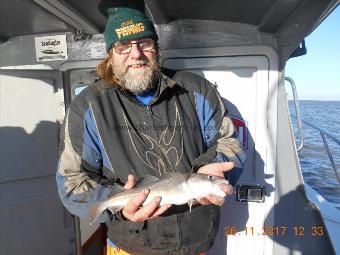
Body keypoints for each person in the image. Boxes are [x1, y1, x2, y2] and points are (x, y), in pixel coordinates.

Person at [56, 6, 246, 255]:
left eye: (144, 43)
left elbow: (230, 142)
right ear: (111, 55)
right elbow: (72, 182)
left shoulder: (197, 90)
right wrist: (118, 203)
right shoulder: (88, 107)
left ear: (156, 49)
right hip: (130, 246)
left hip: (197, 242)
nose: (136, 54)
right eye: (123, 46)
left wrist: (211, 171)